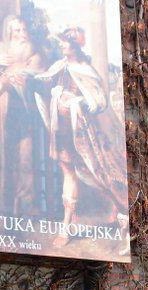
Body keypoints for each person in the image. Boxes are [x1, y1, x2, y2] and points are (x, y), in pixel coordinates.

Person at [31, 27, 127, 228]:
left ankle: (120, 205)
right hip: (62, 130)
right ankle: (66, 224)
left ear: (74, 46)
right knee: (68, 172)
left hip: (81, 133)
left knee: (94, 174)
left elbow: (99, 101)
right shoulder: (60, 65)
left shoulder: (86, 70)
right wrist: (36, 83)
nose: (62, 45)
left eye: (65, 42)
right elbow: (44, 83)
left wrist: (78, 101)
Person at [0, 15, 45, 213]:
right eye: (17, 30)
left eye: (24, 29)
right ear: (9, 32)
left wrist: (11, 81)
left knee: (26, 157)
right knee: (3, 156)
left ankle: (26, 205)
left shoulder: (33, 53)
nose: (22, 34)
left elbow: (37, 75)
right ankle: (3, 202)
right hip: (1, 113)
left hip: (24, 114)